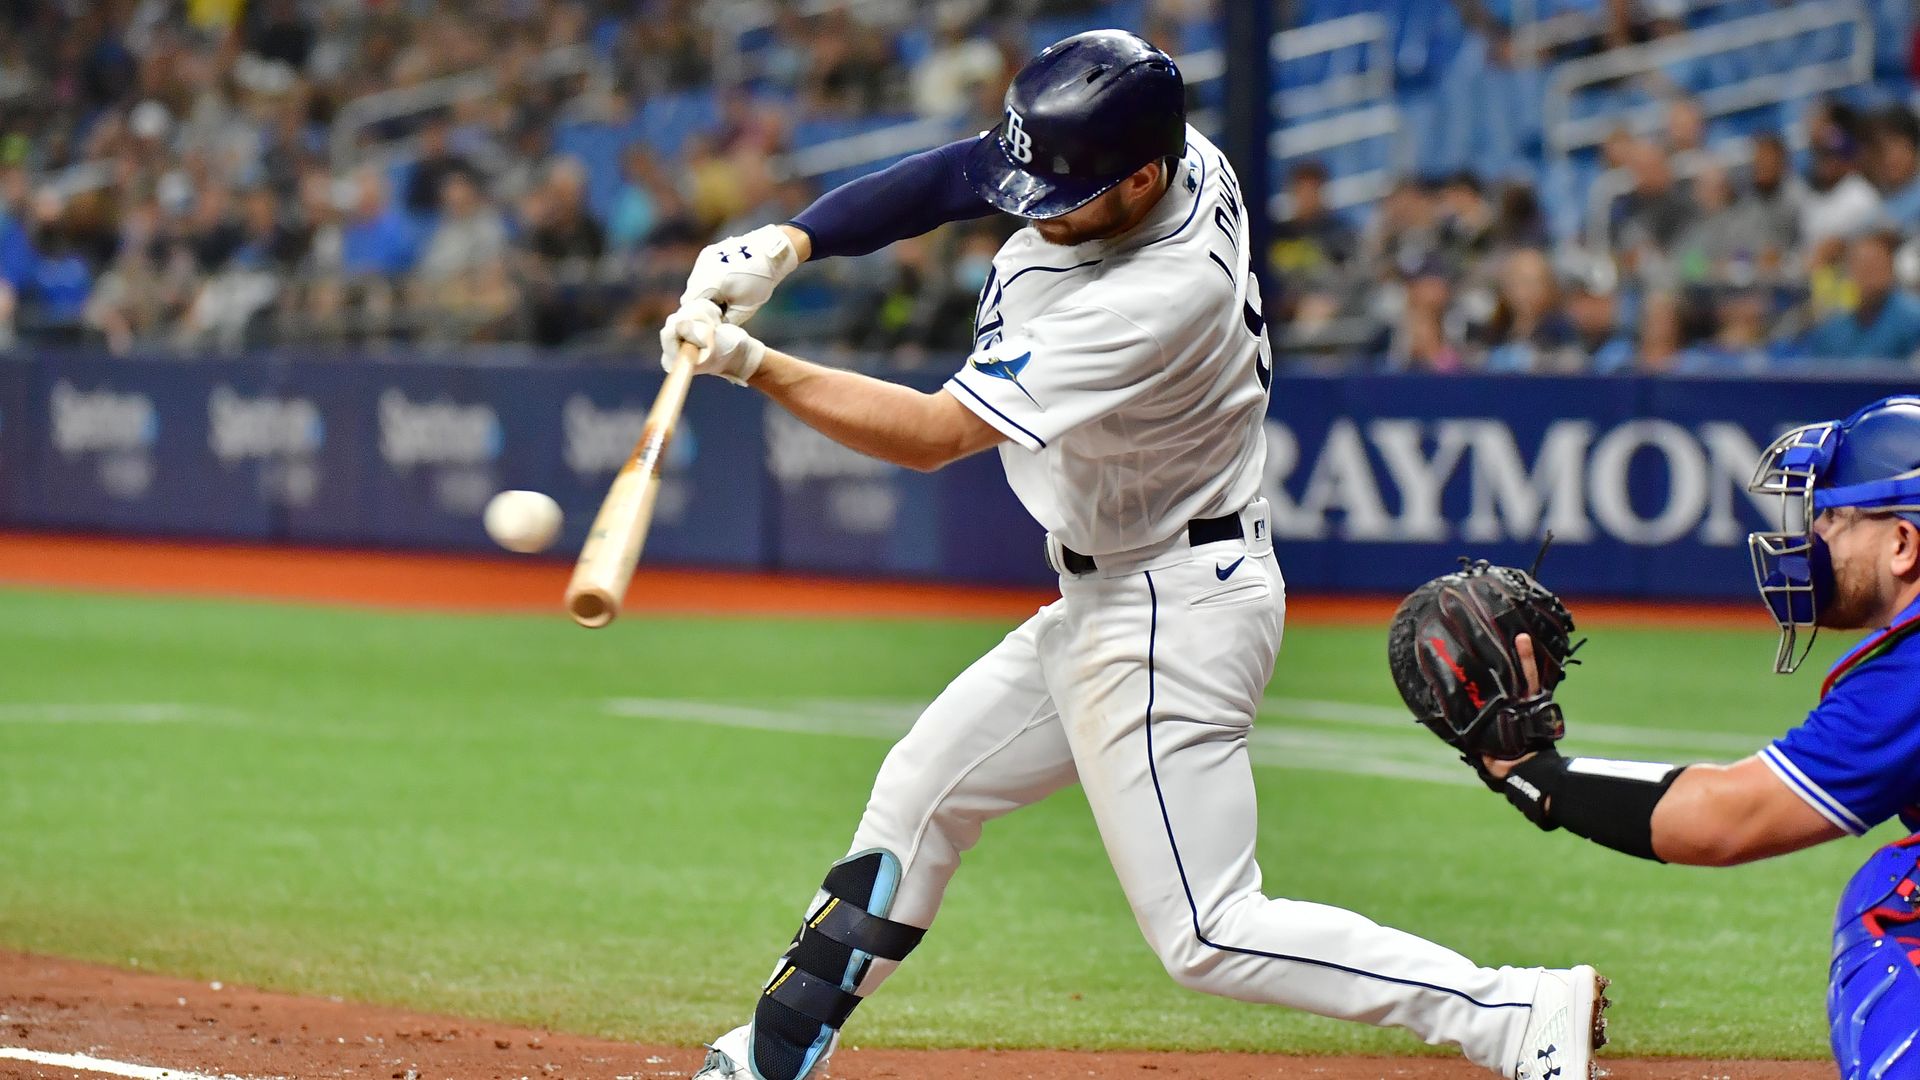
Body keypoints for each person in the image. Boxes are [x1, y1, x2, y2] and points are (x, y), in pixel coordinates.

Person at [657, 31, 1606, 1080]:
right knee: (923, 791)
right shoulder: (1161, 155)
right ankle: (774, 1054)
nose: (1027, 209)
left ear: (1142, 178)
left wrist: (751, 363)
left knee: (1207, 930)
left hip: (1170, 605)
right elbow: (952, 176)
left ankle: (1513, 1012)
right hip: (1116, 591)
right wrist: (791, 243)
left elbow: (931, 437)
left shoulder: (1155, 297)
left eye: (1056, 193)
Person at [1477, 395, 1920, 1080]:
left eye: (1834, 516)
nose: (1815, 537)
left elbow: (1724, 817)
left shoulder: (1909, 674)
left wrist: (1537, 772)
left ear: (1901, 543)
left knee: (1893, 899)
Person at [1801, 230, 1920, 362]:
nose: (1870, 273)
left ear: (1891, 267)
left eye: (1876, 264)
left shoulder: (1913, 320)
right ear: (1850, 271)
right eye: (1863, 265)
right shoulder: (1833, 330)